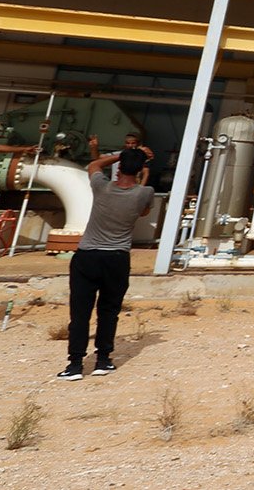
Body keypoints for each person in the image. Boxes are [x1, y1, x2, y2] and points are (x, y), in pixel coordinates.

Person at [59, 147, 155, 380]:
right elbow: (143, 212)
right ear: (140, 170)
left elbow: (94, 165)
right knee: (109, 312)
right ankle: (103, 360)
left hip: (87, 256)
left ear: (119, 167)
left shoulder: (101, 187)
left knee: (80, 314)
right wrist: (140, 165)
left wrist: (121, 154)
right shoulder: (145, 193)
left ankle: (75, 365)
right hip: (117, 258)